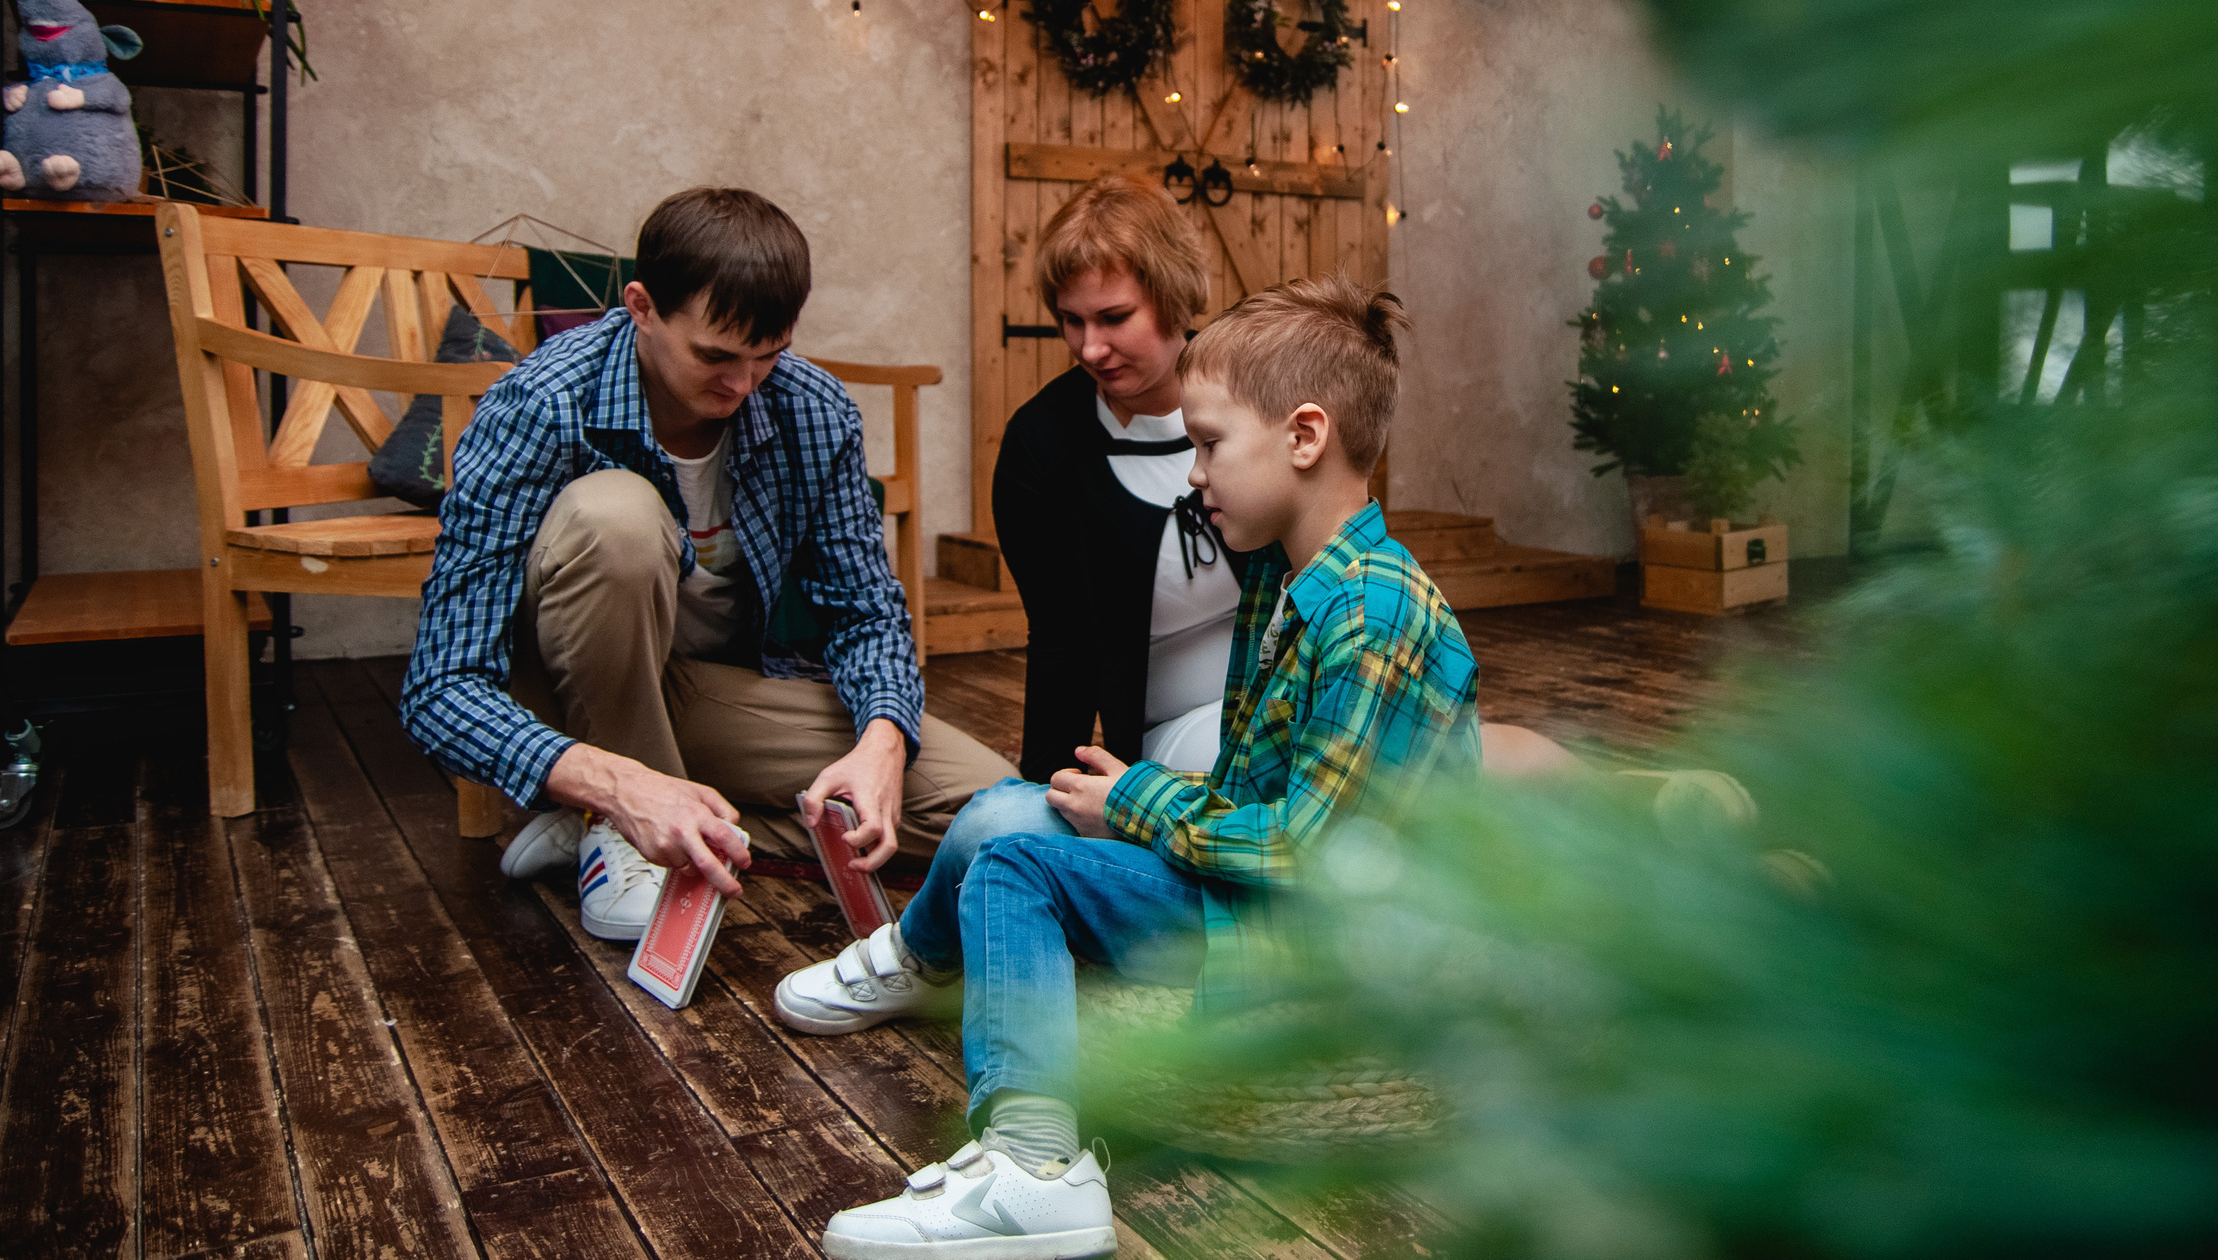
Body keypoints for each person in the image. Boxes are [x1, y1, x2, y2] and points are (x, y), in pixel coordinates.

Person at [783, 275, 1481, 1260]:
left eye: (1209, 444)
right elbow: (1265, 802)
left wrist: (1147, 801)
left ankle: (1033, 1172)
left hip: (1330, 938)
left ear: (1304, 436)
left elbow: (1312, 854)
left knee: (1018, 866)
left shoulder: (1373, 615)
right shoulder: (1289, 581)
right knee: (1009, 811)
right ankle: (914, 957)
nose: (1193, 474)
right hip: (1260, 896)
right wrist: (1132, 803)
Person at [400, 187, 1010, 938]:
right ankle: (616, 812)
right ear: (641, 307)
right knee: (614, 518)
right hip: (560, 696)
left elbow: (866, 611)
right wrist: (609, 779)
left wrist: (882, 742)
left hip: (701, 694)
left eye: (768, 355)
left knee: (990, 808)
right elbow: (439, 686)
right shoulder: (541, 403)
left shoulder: (812, 409)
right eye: (715, 356)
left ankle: (630, 820)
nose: (742, 385)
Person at [1001, 175, 1239, 784]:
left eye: (1113, 318)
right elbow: (1059, 642)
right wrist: (1040, 800)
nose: (1089, 349)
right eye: (1071, 321)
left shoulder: (1256, 392)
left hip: (1300, 695)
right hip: (1174, 732)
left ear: (1173, 296)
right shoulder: (1041, 446)